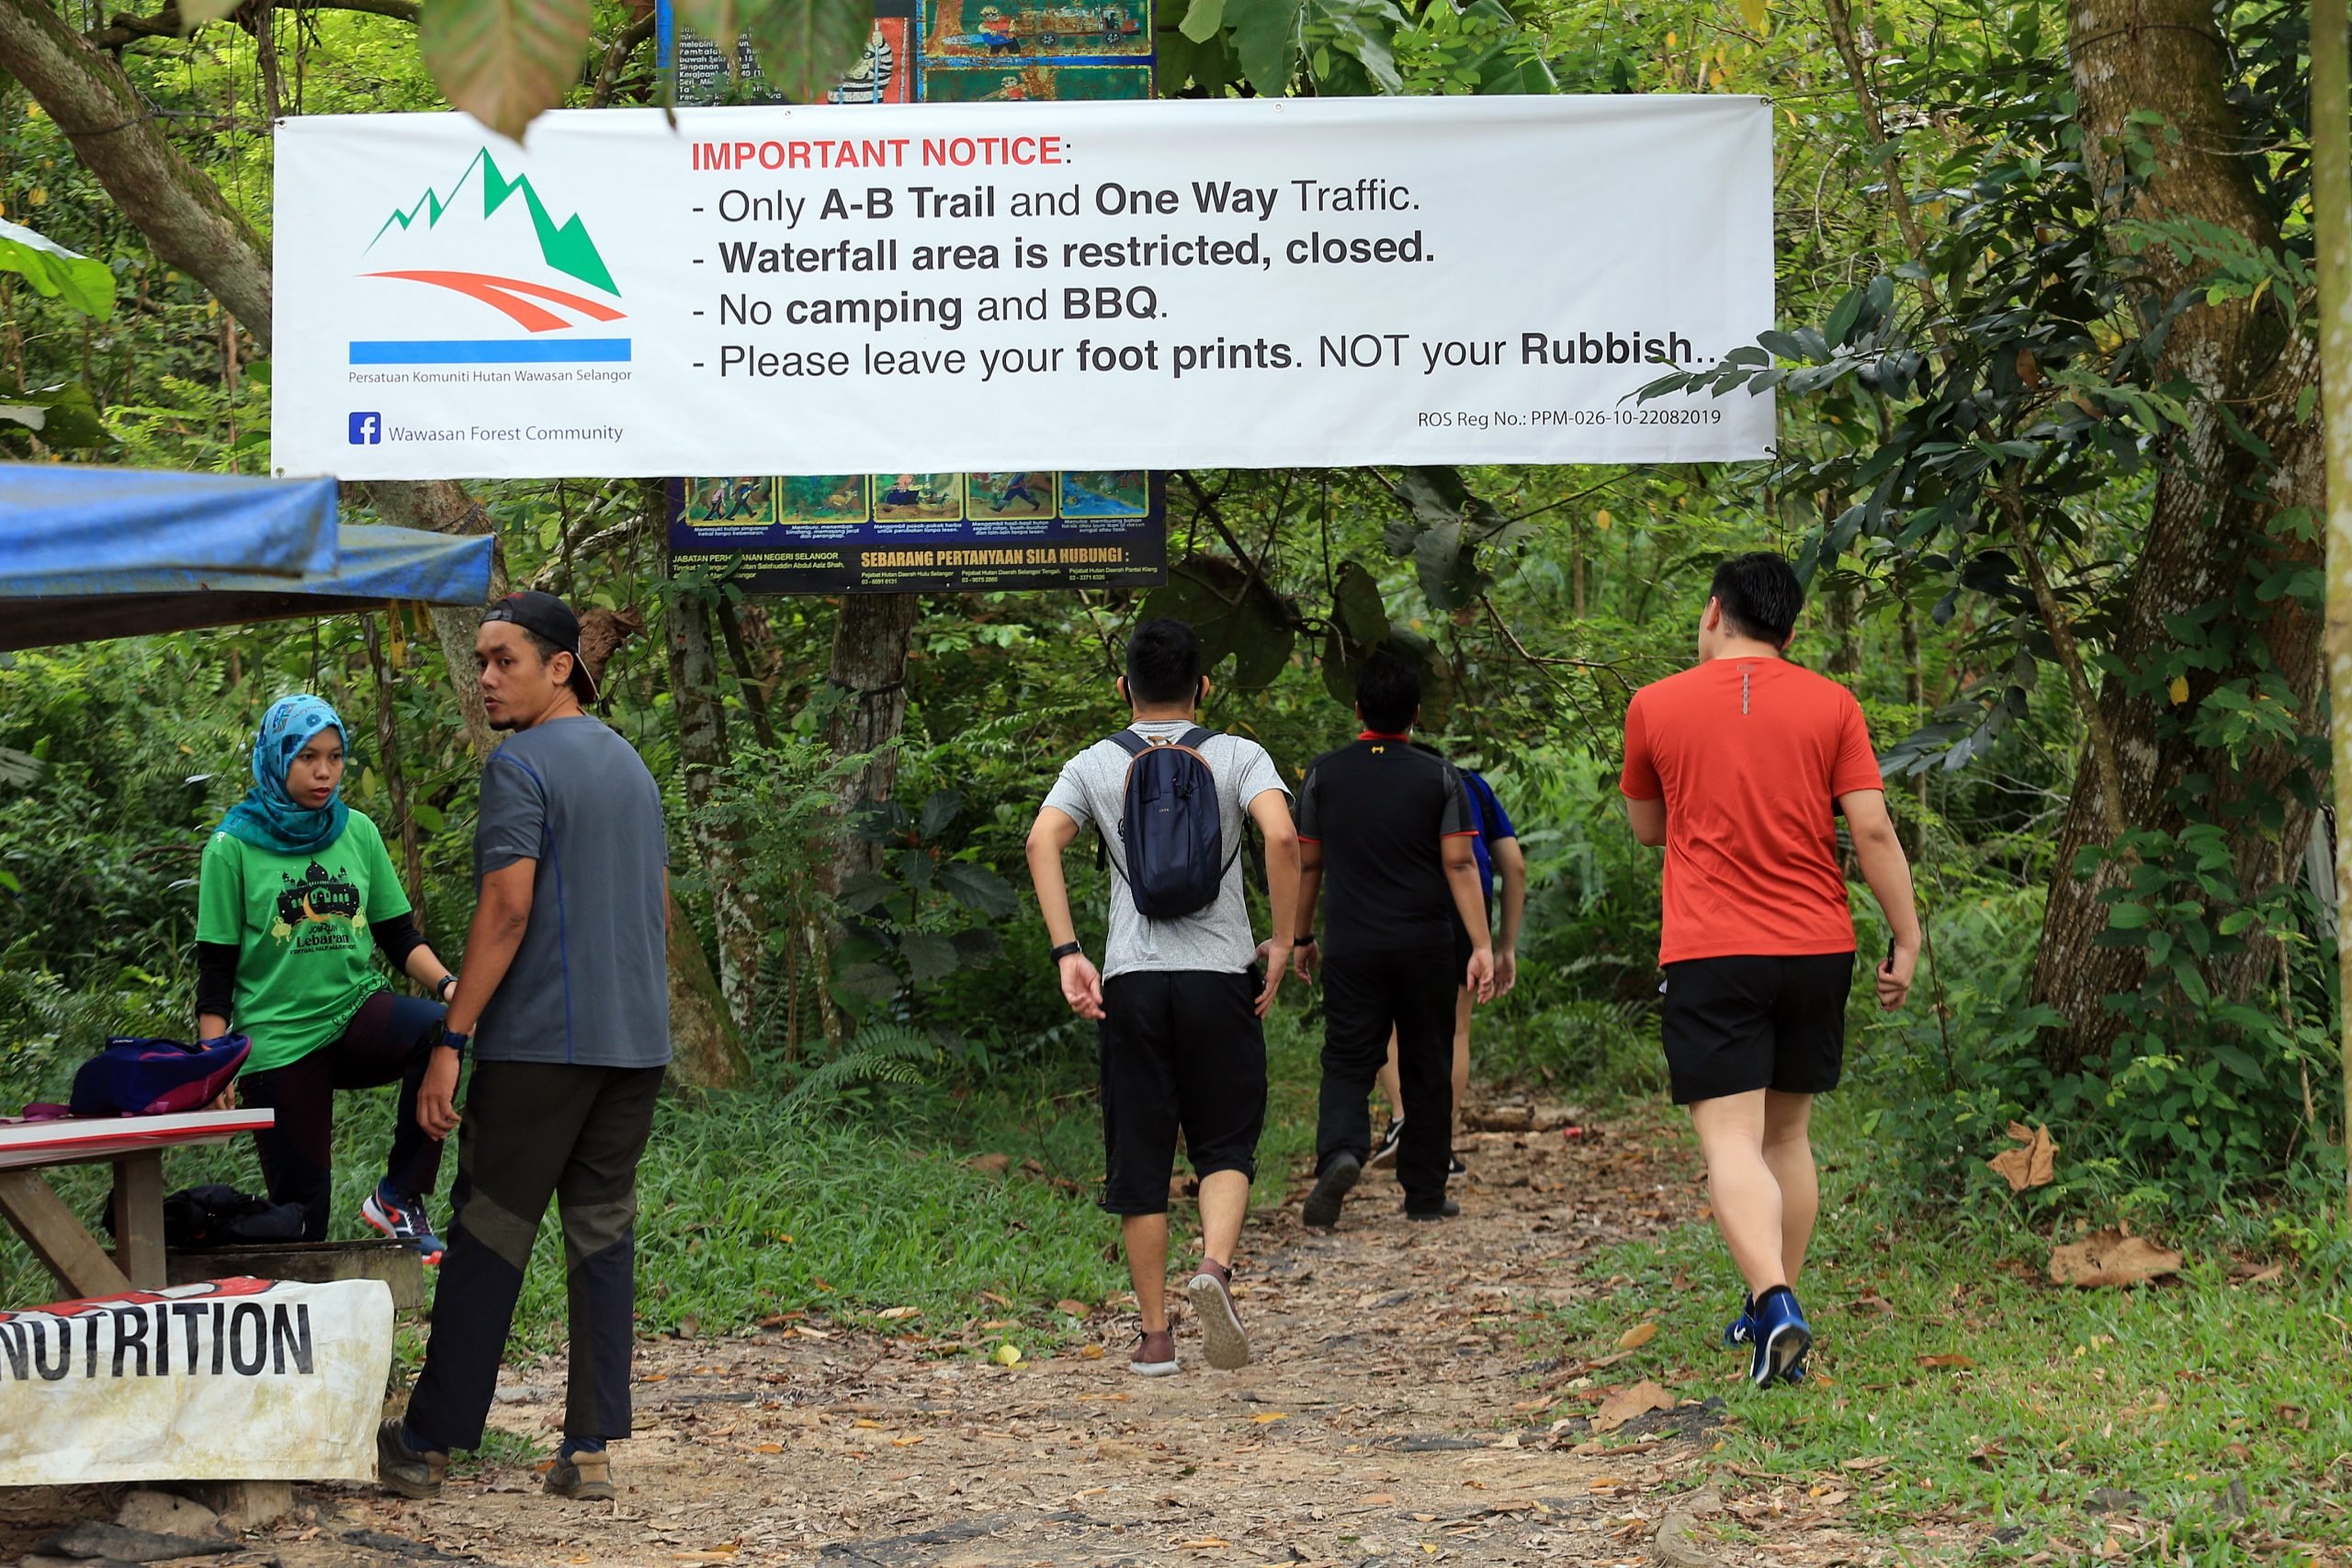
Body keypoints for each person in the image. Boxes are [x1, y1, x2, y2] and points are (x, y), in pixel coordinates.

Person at [379, 591, 672, 1504]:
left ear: (560, 666)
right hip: (634, 1045)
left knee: (489, 1231)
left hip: (542, 1044)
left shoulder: (521, 767)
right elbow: (657, 907)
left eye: (505, 659)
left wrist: (450, 1038)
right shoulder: (630, 765)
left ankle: (427, 1442)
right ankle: (587, 1449)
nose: (488, 677)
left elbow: (504, 911)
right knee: (600, 1235)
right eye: (481, 661)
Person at [1619, 552, 1920, 1388]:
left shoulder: (1655, 704)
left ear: (1715, 611)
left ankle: (1774, 1300)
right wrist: (1907, 934)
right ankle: (1770, 1307)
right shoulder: (1834, 704)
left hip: (1713, 947)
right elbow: (1874, 831)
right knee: (1788, 1134)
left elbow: (1648, 827)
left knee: (1729, 1140)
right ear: (1793, 629)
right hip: (1818, 947)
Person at [1025, 618, 1299, 1377]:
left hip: (1133, 981)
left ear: (1125, 688)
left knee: (1140, 1156)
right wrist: (1279, 940)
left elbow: (1040, 841)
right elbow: (1281, 837)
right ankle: (1213, 1266)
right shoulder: (1238, 755)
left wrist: (1068, 952)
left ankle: (1154, 1338)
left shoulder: (1094, 763)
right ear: (1204, 686)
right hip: (1219, 980)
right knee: (1225, 1141)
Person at [196, 694, 457, 1260]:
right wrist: (212, 1063)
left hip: (353, 1012)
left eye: (336, 757)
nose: (324, 772)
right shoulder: (230, 847)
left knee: (438, 1027)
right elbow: (215, 966)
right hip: (279, 1042)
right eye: (308, 757)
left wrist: (450, 987)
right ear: (276, 757)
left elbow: (398, 937)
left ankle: (398, 1195)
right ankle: (211, 1249)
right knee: (302, 1226)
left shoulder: (356, 831)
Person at [1292, 654, 1495, 1228]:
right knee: (1427, 1062)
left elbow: (1309, 866)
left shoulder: (1324, 774)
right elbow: (1459, 863)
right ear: (1417, 714)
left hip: (1353, 946)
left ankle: (1342, 1153)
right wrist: (1480, 945)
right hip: (1426, 945)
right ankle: (1425, 1193)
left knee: (1349, 1058)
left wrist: (1301, 936)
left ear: (1357, 710)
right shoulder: (1439, 775)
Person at [1368, 750, 1524, 1178]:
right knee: (1454, 1029)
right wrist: (1503, 945)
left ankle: (1403, 1119)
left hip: (1392, 906)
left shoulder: (1375, 781)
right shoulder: (1471, 784)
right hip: (1463, 910)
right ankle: (1438, 1142)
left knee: (1386, 1020)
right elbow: (1515, 866)